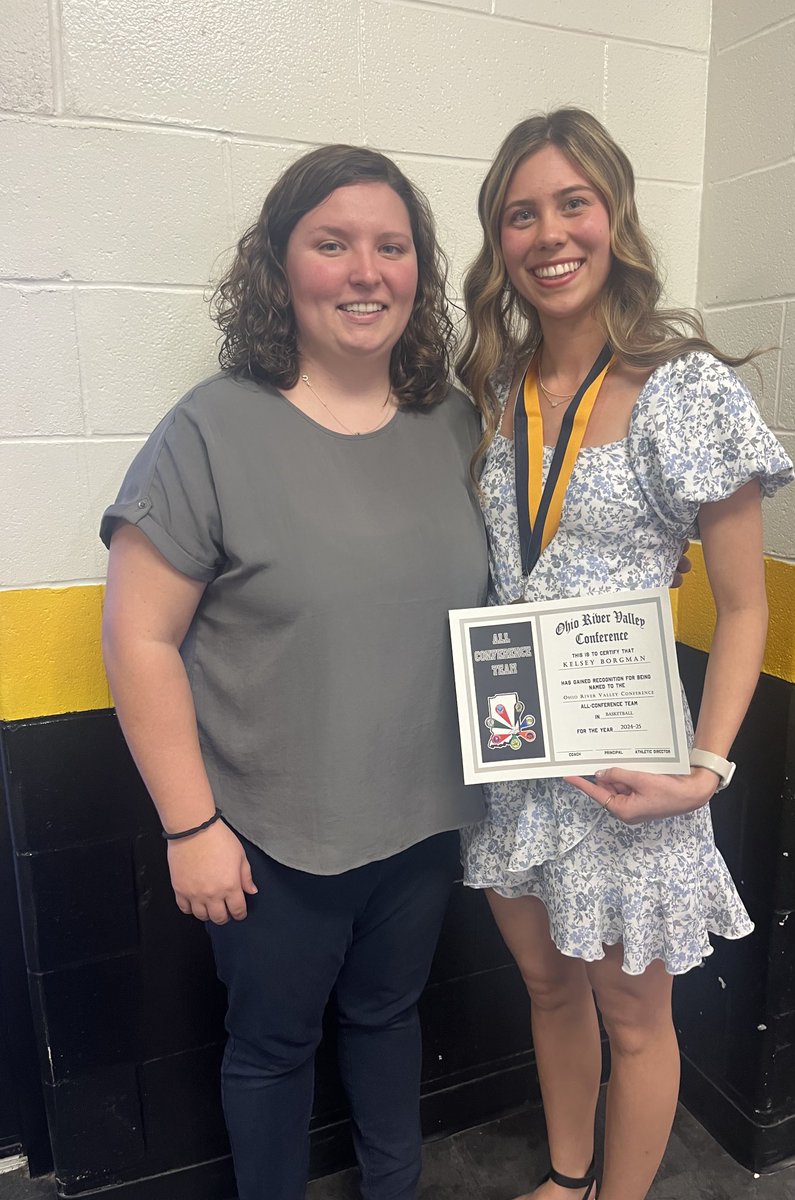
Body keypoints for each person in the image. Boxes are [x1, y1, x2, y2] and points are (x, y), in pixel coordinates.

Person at [99, 145, 489, 1200]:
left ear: (418, 268)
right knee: (270, 1053)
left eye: (391, 246)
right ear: (282, 266)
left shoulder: (455, 424)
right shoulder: (210, 431)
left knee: (388, 1019)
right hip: (269, 845)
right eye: (332, 244)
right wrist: (192, 828)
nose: (366, 271)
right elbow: (137, 638)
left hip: (420, 827)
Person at [456, 109, 794, 1200]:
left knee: (635, 1019)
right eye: (522, 213)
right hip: (516, 748)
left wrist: (705, 770)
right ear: (498, 238)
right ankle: (567, 1177)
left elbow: (744, 606)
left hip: (626, 766)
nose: (549, 234)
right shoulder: (493, 391)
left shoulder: (685, 389)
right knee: (548, 988)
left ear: (614, 218)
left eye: (572, 204)